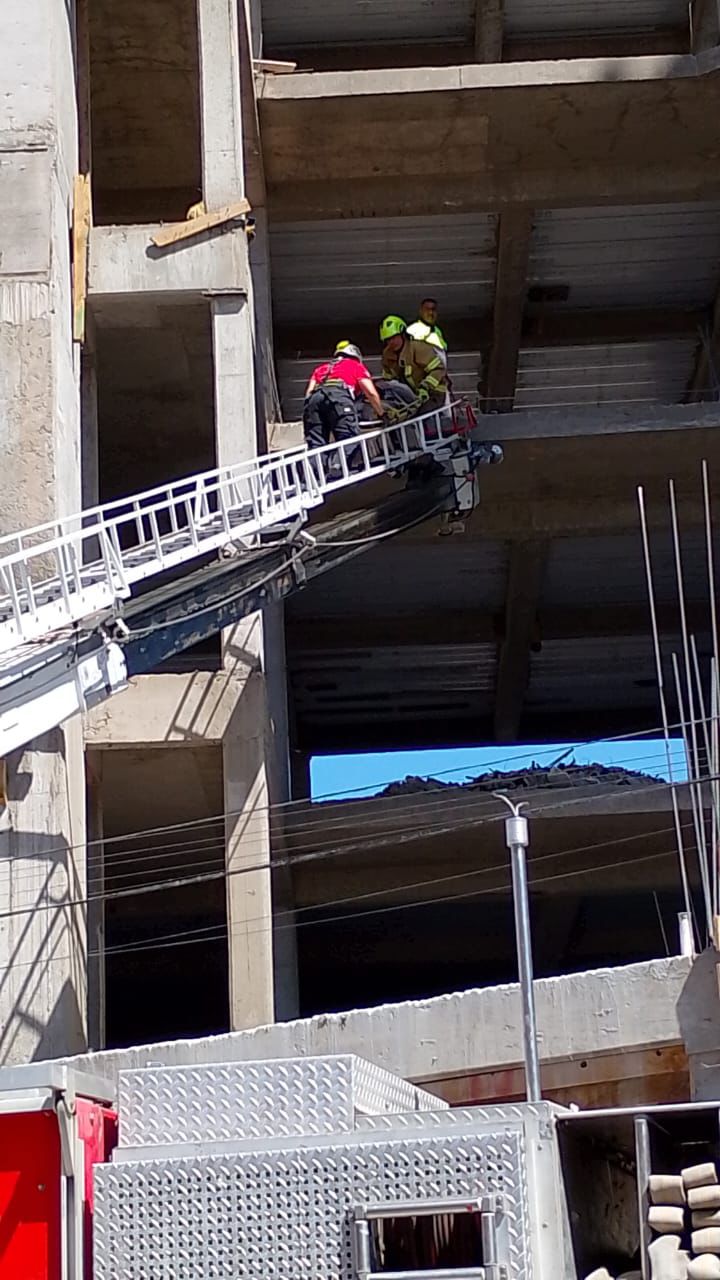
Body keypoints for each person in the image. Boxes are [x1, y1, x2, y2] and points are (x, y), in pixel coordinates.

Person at [303, 342, 384, 457]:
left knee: (316, 446)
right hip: (339, 398)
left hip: (314, 400)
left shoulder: (321, 368)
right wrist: (381, 413)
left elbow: (308, 394)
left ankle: (318, 473)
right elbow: (371, 393)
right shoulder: (356, 366)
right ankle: (338, 469)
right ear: (356, 357)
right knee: (349, 440)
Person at [378, 315, 449, 425]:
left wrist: (426, 387)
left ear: (402, 335)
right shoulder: (387, 355)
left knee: (420, 417)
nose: (392, 342)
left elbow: (438, 369)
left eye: (394, 337)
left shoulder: (418, 348)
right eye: (388, 340)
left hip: (433, 393)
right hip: (409, 396)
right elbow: (388, 379)